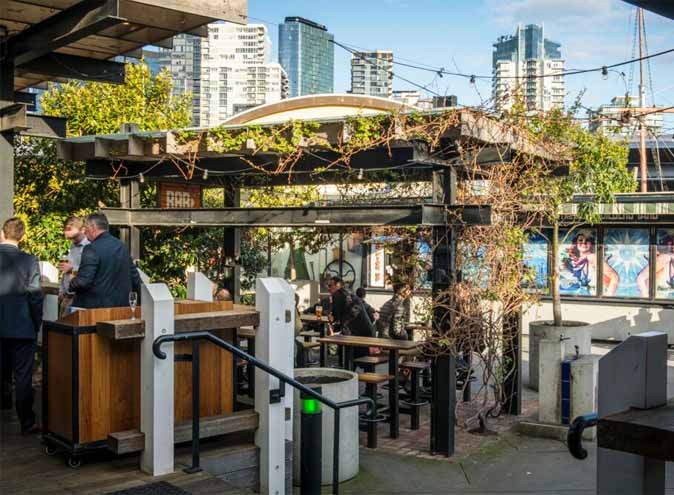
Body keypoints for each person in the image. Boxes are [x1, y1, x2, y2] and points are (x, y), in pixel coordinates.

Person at [0, 217, 43, 434]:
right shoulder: (29, 260)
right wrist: (36, 323)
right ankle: (27, 422)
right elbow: (35, 296)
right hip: (21, 327)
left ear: (2, 233)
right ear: (22, 237)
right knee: (23, 376)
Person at [69, 213, 141, 308]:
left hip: (94, 312)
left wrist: (71, 284)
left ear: (93, 227)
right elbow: (135, 279)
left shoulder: (91, 249)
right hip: (122, 308)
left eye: (86, 228)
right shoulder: (122, 246)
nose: (85, 232)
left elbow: (83, 281)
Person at [58, 216, 89, 318]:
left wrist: (72, 268)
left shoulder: (89, 247)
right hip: (67, 296)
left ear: (82, 230)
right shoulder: (72, 246)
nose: (65, 232)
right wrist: (61, 289)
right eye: (65, 229)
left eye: (69, 229)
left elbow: (89, 272)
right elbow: (66, 271)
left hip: (79, 297)